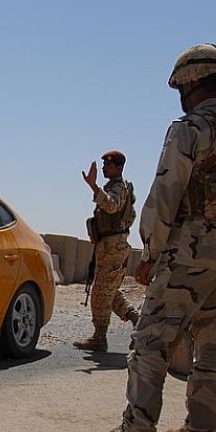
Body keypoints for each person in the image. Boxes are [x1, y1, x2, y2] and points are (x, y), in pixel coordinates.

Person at [84, 43, 216, 432]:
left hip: (188, 253)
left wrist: (150, 253)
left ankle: (136, 431)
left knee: (150, 341)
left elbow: (165, 196)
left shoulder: (188, 129)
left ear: (191, 80)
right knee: (212, 345)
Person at [74, 150, 139, 352]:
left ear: (119, 168)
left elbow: (111, 206)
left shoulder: (119, 188)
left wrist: (93, 186)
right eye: (103, 165)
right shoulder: (113, 186)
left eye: (108, 166)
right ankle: (137, 319)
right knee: (109, 290)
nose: (104, 168)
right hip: (108, 245)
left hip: (114, 246)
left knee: (101, 292)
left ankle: (100, 338)